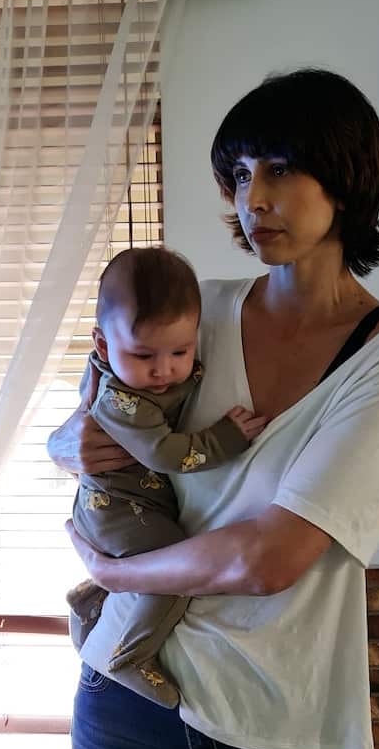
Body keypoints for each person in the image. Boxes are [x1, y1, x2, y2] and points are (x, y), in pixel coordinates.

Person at [46, 68, 379, 749]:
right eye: (239, 173)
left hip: (284, 722)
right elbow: (76, 430)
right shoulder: (199, 310)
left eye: (280, 169)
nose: (252, 197)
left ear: (348, 179)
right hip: (130, 696)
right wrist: (72, 443)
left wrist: (119, 573)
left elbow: (272, 556)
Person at [66, 245, 266, 709]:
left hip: (133, 504)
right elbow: (167, 454)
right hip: (117, 510)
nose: (164, 370)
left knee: (161, 567)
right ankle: (129, 656)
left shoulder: (141, 376)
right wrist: (224, 438)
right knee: (171, 576)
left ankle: (90, 599)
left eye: (180, 351)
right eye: (143, 356)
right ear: (102, 345)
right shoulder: (121, 401)